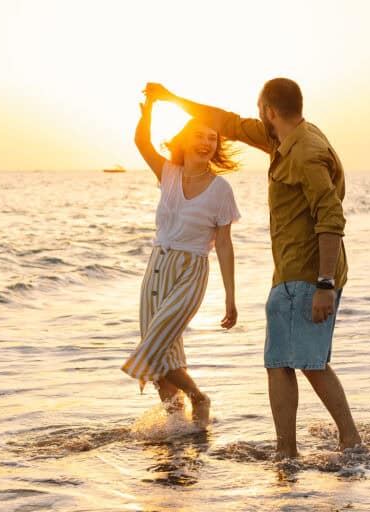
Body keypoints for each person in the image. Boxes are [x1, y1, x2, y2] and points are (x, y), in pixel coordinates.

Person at [145, 79, 362, 457]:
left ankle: (310, 448)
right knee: (296, 363)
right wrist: (171, 99)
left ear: (269, 110)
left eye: (260, 111)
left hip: (307, 275)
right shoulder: (284, 138)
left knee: (293, 364)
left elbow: (330, 216)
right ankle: (318, 446)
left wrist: (324, 284)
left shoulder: (306, 152)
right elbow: (226, 122)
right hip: (293, 273)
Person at [121, 86, 240, 425]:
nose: (207, 143)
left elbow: (226, 245)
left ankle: (199, 398)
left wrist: (231, 296)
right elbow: (142, 143)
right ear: (186, 140)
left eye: (213, 139)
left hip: (191, 271)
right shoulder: (168, 174)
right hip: (156, 267)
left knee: (157, 343)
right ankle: (178, 424)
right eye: (200, 136)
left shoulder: (221, 190)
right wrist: (148, 114)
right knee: (162, 348)